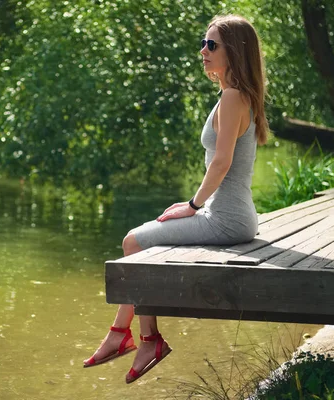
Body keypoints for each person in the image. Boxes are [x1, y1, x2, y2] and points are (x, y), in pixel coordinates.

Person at [83, 14, 269, 384]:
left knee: (133, 241)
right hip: (233, 216)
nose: (203, 50)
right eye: (204, 42)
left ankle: (141, 338)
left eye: (211, 44)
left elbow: (221, 163)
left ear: (233, 51)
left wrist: (193, 206)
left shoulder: (233, 97)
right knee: (143, 239)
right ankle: (128, 335)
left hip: (225, 219)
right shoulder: (235, 96)